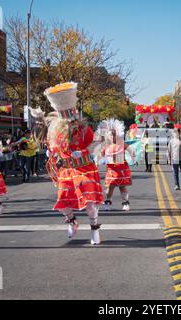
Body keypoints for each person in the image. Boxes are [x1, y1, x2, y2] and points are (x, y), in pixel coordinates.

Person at [44, 82, 104, 245]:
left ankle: (95, 229)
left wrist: (83, 149)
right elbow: (54, 147)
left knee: (89, 203)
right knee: (63, 204)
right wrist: (51, 151)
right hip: (67, 170)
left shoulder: (82, 127)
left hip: (84, 168)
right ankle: (72, 221)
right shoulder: (55, 131)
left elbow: (90, 141)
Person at [96, 119, 135, 212]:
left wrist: (132, 157)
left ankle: (125, 203)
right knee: (110, 187)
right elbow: (100, 155)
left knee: (122, 186)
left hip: (121, 168)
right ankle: (107, 203)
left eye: (114, 134)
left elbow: (131, 150)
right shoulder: (106, 145)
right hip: (111, 169)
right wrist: (97, 162)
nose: (112, 136)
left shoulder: (121, 143)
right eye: (111, 134)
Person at [168, 124, 181, 191]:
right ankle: (176, 185)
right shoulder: (172, 141)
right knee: (175, 173)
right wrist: (169, 159)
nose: (177, 132)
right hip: (175, 159)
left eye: (179, 131)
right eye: (176, 131)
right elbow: (169, 150)